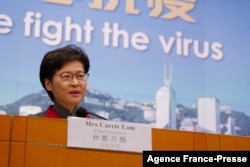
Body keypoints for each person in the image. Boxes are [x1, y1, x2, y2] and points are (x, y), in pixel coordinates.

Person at [35, 44, 90, 118]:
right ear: (48, 84)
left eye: (80, 76)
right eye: (66, 76)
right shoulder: (32, 124)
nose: (75, 83)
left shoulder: (97, 127)